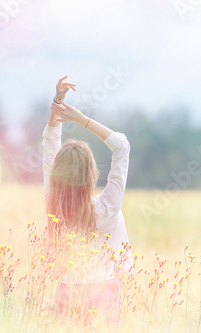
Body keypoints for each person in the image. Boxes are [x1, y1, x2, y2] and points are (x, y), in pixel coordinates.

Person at [42, 76, 133, 326]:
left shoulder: (53, 203)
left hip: (66, 290)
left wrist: (57, 103)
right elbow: (122, 147)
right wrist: (81, 119)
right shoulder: (106, 208)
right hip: (105, 293)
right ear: (91, 174)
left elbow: (50, 143)